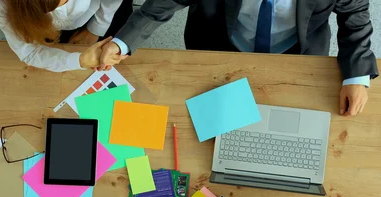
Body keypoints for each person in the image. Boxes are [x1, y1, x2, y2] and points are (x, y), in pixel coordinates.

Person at [99, 0, 378, 116]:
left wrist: (356, 76)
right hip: (219, 47)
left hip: (298, 56)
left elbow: (355, 14)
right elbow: (163, 2)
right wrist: (123, 42)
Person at [0, 0, 134, 72]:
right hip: (49, 30)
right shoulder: (1, 3)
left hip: (106, 10)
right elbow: (29, 52)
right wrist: (79, 60)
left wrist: (96, 28)